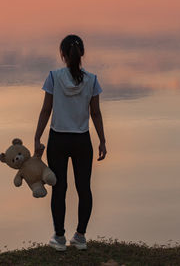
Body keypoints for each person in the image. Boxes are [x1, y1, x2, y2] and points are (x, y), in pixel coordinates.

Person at [34, 34, 107, 251]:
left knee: (59, 188)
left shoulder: (54, 77)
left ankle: (59, 238)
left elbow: (46, 110)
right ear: (81, 54)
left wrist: (37, 137)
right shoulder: (92, 80)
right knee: (84, 188)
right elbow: (96, 113)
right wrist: (102, 140)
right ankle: (80, 236)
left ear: (62, 55)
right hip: (82, 140)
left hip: (58, 139)